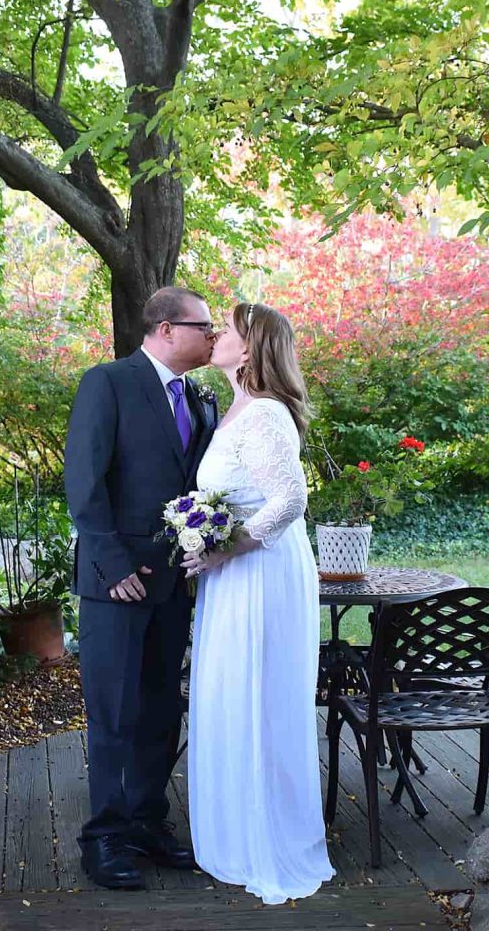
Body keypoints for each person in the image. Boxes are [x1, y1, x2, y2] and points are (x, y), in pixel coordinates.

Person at [63, 287, 219, 890]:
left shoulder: (201, 399)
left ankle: (148, 822)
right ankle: (102, 839)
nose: (211, 336)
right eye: (202, 326)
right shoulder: (108, 383)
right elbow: (84, 481)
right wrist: (111, 565)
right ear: (163, 328)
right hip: (117, 586)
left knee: (161, 707)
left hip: (176, 585)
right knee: (113, 712)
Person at [181, 302, 336, 904]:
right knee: (228, 694)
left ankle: (267, 839)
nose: (217, 334)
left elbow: (289, 498)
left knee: (258, 695)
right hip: (234, 573)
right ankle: (235, 831)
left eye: (229, 329)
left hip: (260, 570)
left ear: (249, 349)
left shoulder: (266, 413)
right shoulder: (234, 410)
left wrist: (229, 548)